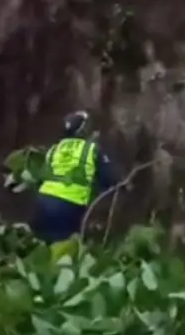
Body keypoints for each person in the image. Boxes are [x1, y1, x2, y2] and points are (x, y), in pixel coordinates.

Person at [31, 111, 119, 260]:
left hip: (43, 203)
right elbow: (109, 178)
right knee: (65, 251)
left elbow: (41, 177)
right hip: (69, 205)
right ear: (84, 130)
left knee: (45, 247)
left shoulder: (54, 149)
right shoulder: (91, 149)